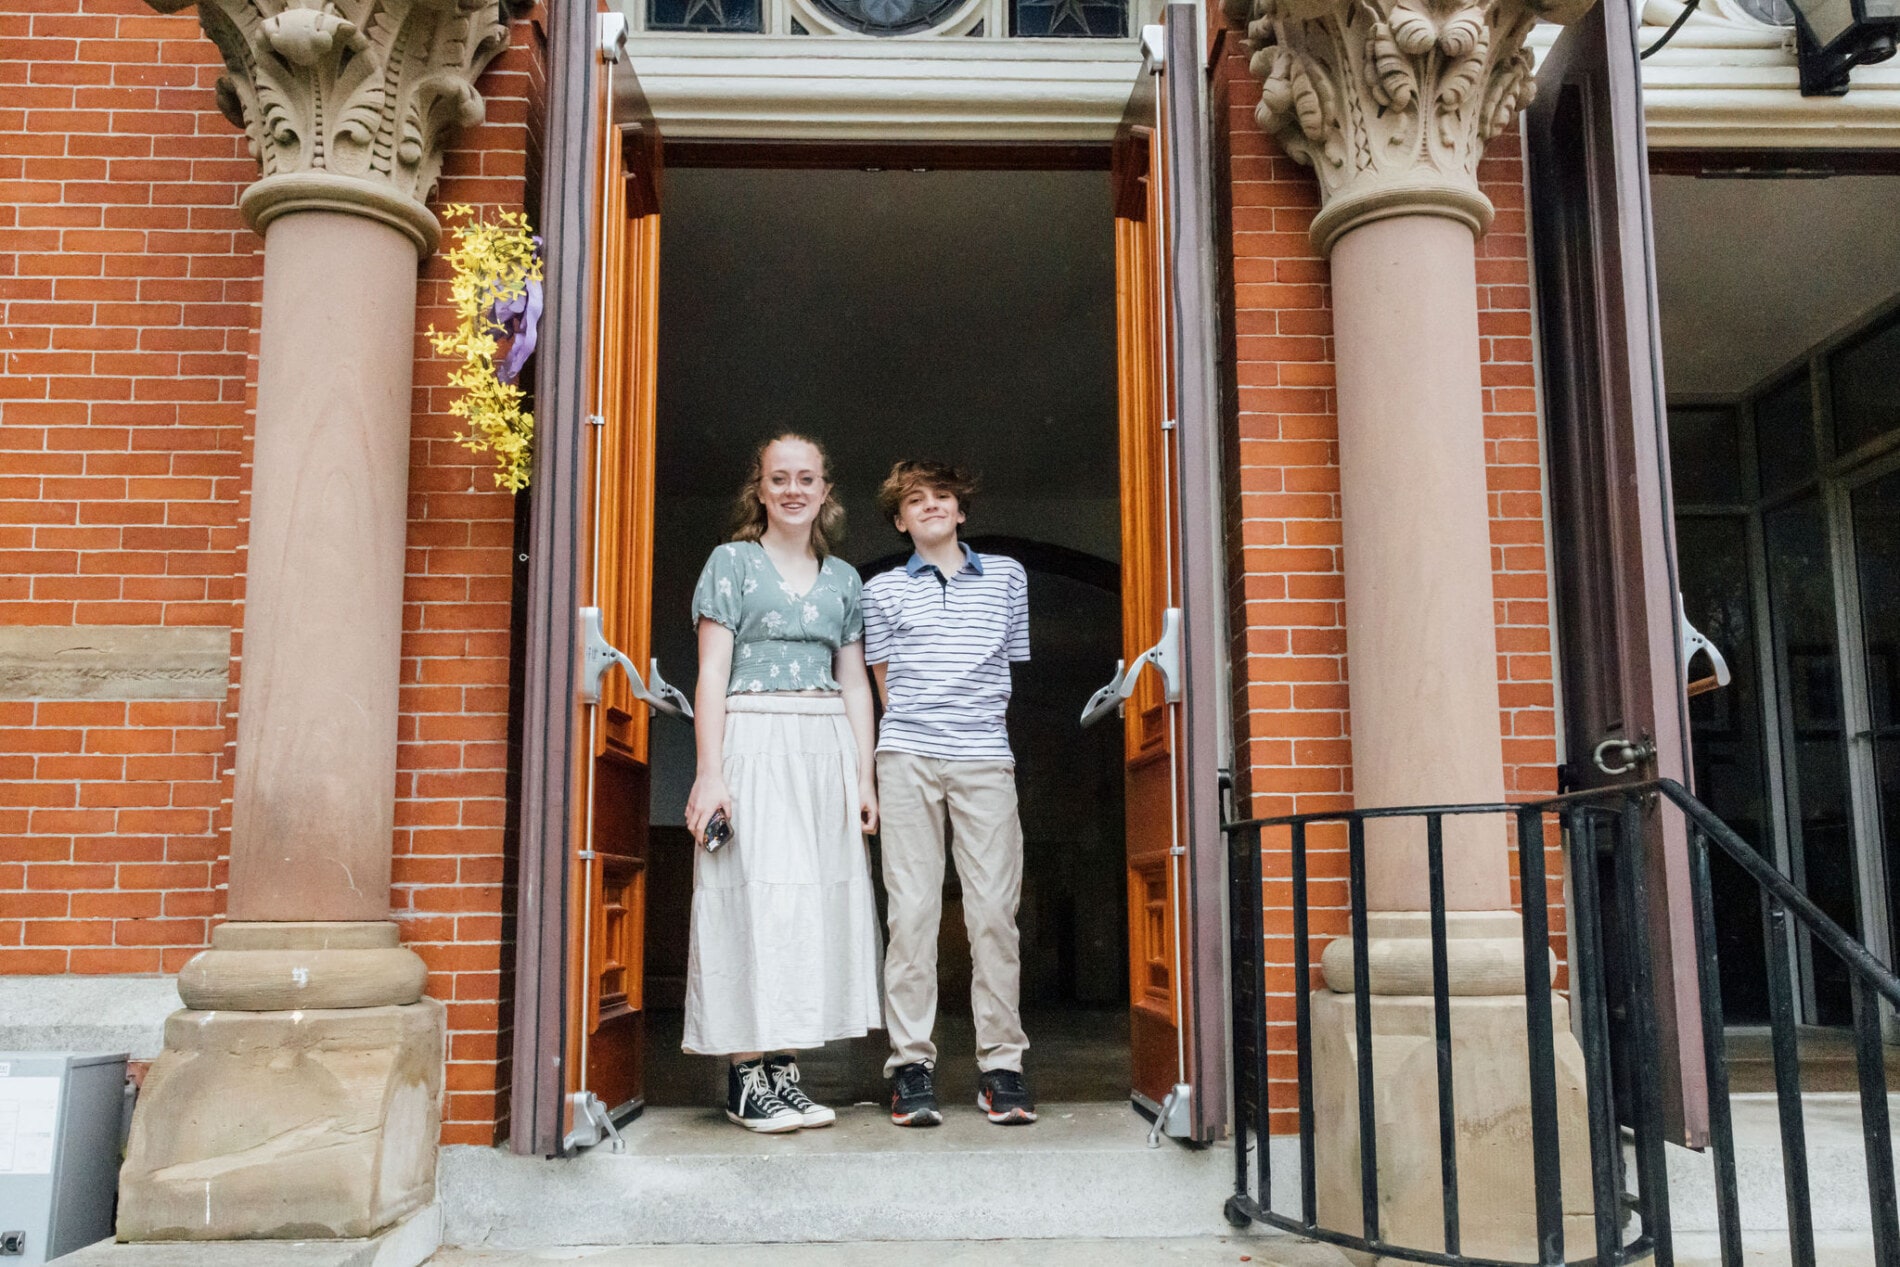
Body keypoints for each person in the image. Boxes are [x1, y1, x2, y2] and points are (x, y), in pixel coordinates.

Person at [683, 433, 883, 1133]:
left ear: (825, 490)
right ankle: (744, 1074)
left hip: (824, 741)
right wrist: (711, 773)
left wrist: (863, 773)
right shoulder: (731, 564)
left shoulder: (845, 580)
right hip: (755, 736)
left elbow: (856, 679)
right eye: (780, 479)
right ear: (760, 490)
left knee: (809, 903)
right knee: (755, 896)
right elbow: (711, 671)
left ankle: (782, 1069)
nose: (794, 489)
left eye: (807, 478)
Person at [862, 459, 1037, 1127]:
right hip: (906, 756)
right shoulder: (879, 591)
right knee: (910, 913)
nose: (931, 506)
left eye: (943, 497)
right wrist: (906, 741)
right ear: (901, 519)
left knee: (993, 910)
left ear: (961, 511)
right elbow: (883, 682)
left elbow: (1007, 668)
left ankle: (1002, 1067)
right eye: (915, 500)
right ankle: (910, 1066)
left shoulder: (1009, 580)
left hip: (985, 757)